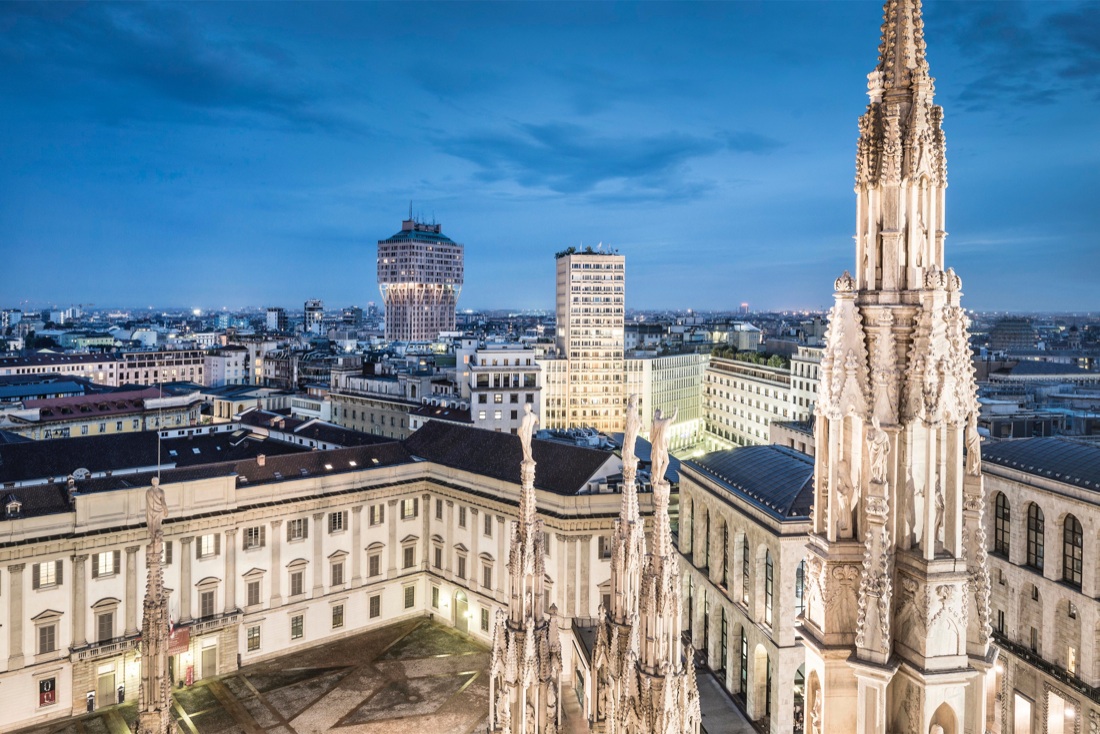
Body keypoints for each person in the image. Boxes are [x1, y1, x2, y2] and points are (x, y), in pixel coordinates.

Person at [650, 407, 678, 486]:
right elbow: (670, 420)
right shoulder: (658, 422)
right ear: (658, 414)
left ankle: (659, 478)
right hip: (660, 446)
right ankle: (659, 478)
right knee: (663, 462)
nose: (662, 416)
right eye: (661, 414)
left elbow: (651, 437)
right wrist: (675, 413)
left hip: (657, 446)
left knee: (663, 462)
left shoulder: (654, 422)